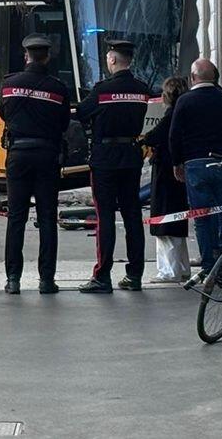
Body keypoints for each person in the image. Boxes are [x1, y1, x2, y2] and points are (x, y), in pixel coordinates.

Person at [74, 39, 150, 293]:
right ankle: (135, 274)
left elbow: (82, 114)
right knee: (132, 217)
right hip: (131, 156)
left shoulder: (102, 90)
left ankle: (102, 275)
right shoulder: (142, 89)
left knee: (104, 217)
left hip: (105, 158)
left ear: (113, 60)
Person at [0, 33, 72, 295]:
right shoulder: (58, 87)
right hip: (47, 155)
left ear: (26, 56)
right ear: (48, 56)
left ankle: (13, 279)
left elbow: (2, 113)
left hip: (18, 155)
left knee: (15, 218)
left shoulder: (9, 84)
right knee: (47, 219)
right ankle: (46, 280)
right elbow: (65, 123)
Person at [168, 58, 222, 274]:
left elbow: (174, 136)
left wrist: (177, 162)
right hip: (221, 163)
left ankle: (209, 266)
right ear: (216, 77)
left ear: (192, 78)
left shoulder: (184, 101)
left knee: (201, 217)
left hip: (194, 165)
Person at [141, 76, 191, 282]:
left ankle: (169, 271)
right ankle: (182, 267)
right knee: (177, 221)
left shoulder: (170, 115)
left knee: (164, 220)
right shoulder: (184, 114)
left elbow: (154, 136)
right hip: (178, 172)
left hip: (165, 172)